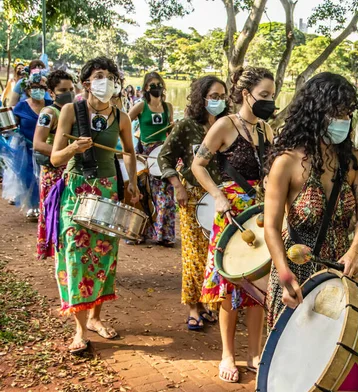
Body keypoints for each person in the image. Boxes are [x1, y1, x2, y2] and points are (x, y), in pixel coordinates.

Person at [264, 72, 358, 330]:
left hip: (338, 269)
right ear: (315, 113)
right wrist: (284, 273)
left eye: (347, 114)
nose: (344, 121)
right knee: (289, 351)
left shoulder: (353, 160)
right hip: (295, 270)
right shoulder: (287, 162)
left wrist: (355, 252)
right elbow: (271, 226)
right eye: (337, 113)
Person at [50, 56, 140, 354]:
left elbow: (129, 152)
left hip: (107, 190)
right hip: (76, 190)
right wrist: (74, 147)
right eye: (100, 75)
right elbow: (55, 158)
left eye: (111, 76)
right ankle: (78, 329)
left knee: (104, 258)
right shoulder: (70, 111)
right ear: (86, 82)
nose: (107, 81)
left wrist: (133, 183)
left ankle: (95, 318)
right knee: (75, 256)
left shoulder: (121, 116)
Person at [191, 66, 275, 383]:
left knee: (256, 286)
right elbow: (199, 164)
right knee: (231, 286)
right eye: (264, 95)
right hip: (231, 215)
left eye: (272, 96)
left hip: (259, 214)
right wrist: (217, 195)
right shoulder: (225, 126)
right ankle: (227, 353)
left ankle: (254, 352)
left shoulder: (266, 130)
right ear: (245, 94)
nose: (269, 101)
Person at [158, 76, 228, 330]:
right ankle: (193, 307)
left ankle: (212, 301)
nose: (218, 101)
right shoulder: (187, 126)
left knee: (218, 253)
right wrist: (177, 186)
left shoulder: (228, 125)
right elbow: (164, 158)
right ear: (202, 97)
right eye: (214, 96)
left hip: (222, 198)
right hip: (193, 197)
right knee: (194, 255)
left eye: (222, 96)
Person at [128, 72, 175, 246]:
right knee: (144, 194)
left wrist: (174, 128)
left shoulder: (168, 106)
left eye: (159, 84)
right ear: (146, 87)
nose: (156, 88)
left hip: (162, 153)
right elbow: (125, 122)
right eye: (152, 85)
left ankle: (165, 235)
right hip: (145, 154)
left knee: (166, 194)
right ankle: (140, 232)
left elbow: (170, 130)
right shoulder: (141, 106)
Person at [33, 70, 75, 259]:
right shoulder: (49, 113)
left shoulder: (74, 111)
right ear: (51, 93)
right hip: (53, 171)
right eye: (62, 90)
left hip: (70, 170)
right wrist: (65, 152)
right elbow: (38, 143)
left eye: (71, 89)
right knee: (52, 210)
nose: (68, 93)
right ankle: (50, 248)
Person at [11, 72, 53, 220]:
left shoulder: (51, 106)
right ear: (28, 89)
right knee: (29, 178)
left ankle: (46, 205)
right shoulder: (21, 106)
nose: (39, 90)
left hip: (46, 149)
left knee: (46, 177)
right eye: (35, 87)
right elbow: (12, 124)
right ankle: (33, 206)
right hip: (26, 149)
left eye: (42, 87)